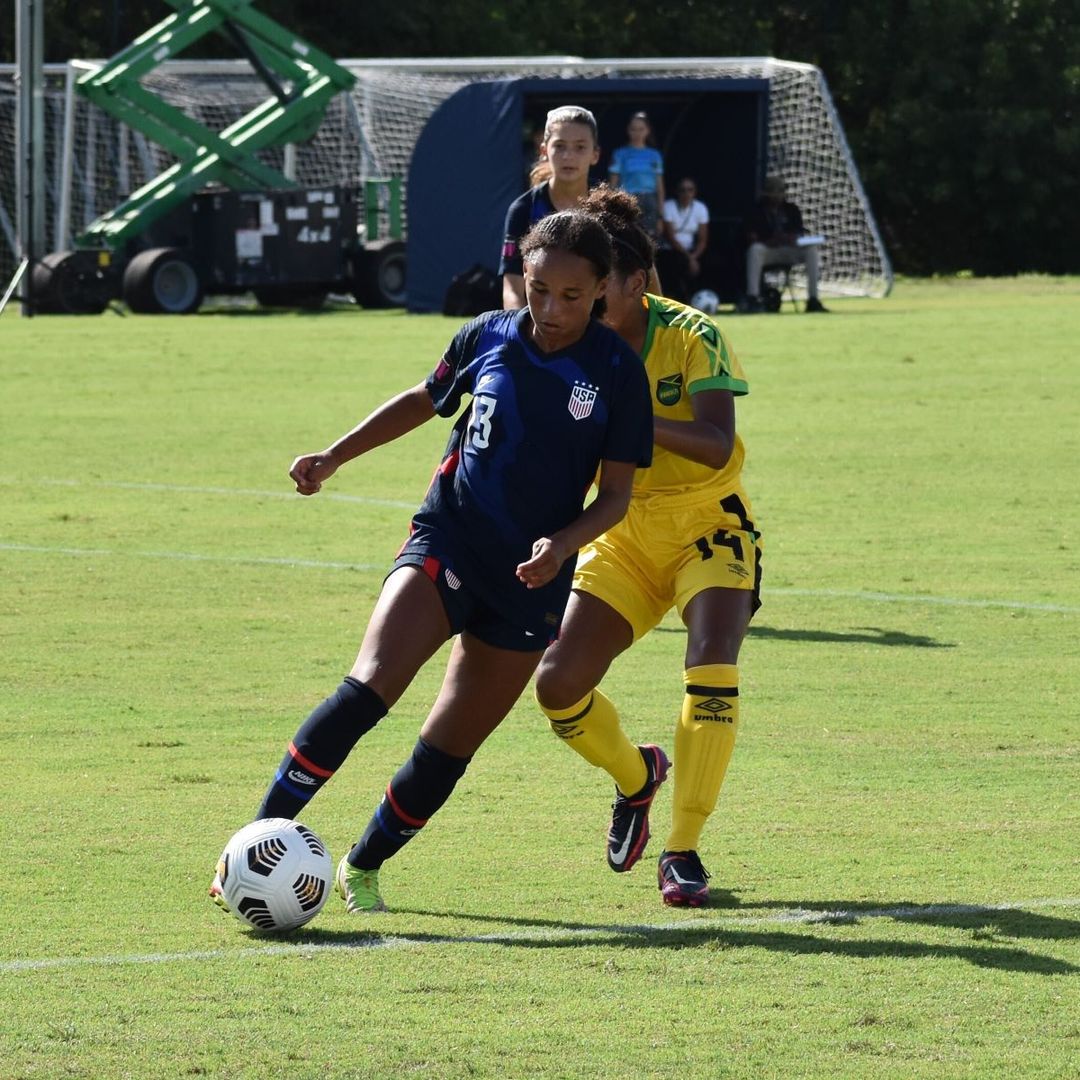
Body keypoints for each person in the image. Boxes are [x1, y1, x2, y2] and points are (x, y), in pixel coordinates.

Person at [214, 209, 654, 915]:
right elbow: (425, 398)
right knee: (369, 686)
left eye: (572, 296)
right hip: (447, 539)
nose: (551, 308)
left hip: (529, 582)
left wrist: (563, 544)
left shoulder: (617, 373)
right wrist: (334, 454)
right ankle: (253, 843)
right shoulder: (487, 335)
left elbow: (617, 497)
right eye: (539, 289)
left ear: (602, 288)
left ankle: (361, 866)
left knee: (446, 747)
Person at [534, 185, 761, 908]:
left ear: (633, 281)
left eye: (596, 293)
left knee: (712, 659)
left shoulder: (692, 334)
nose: (581, 307)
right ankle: (637, 776)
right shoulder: (565, 345)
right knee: (557, 685)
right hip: (623, 529)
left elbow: (716, 441)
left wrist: (630, 420)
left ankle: (683, 847)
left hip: (707, 521)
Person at [499, 106, 600, 310]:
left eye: (580, 147)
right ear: (544, 151)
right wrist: (520, 332)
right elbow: (512, 287)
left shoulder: (608, 207)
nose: (568, 156)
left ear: (595, 154)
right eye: (560, 146)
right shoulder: (523, 209)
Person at [741, 175, 827, 313]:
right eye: (772, 192)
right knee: (755, 250)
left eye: (779, 192)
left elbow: (799, 232)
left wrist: (791, 238)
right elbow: (751, 238)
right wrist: (771, 240)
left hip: (789, 250)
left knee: (811, 250)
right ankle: (753, 298)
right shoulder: (755, 211)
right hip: (768, 251)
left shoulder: (792, 210)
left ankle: (813, 300)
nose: (776, 196)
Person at [607, 112, 665, 239]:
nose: (637, 133)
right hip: (629, 199)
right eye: (633, 129)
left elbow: (660, 187)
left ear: (648, 131)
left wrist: (661, 216)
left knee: (650, 238)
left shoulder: (655, 155)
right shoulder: (620, 154)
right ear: (628, 131)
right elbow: (613, 184)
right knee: (630, 237)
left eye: (641, 129)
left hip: (650, 201)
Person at [657, 177, 710, 302]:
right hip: (671, 250)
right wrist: (689, 258)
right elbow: (671, 238)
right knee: (676, 263)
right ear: (677, 192)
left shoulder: (700, 208)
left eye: (690, 190)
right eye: (683, 190)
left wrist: (694, 257)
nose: (686, 193)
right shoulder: (668, 207)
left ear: (694, 192)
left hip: (693, 251)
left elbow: (703, 239)